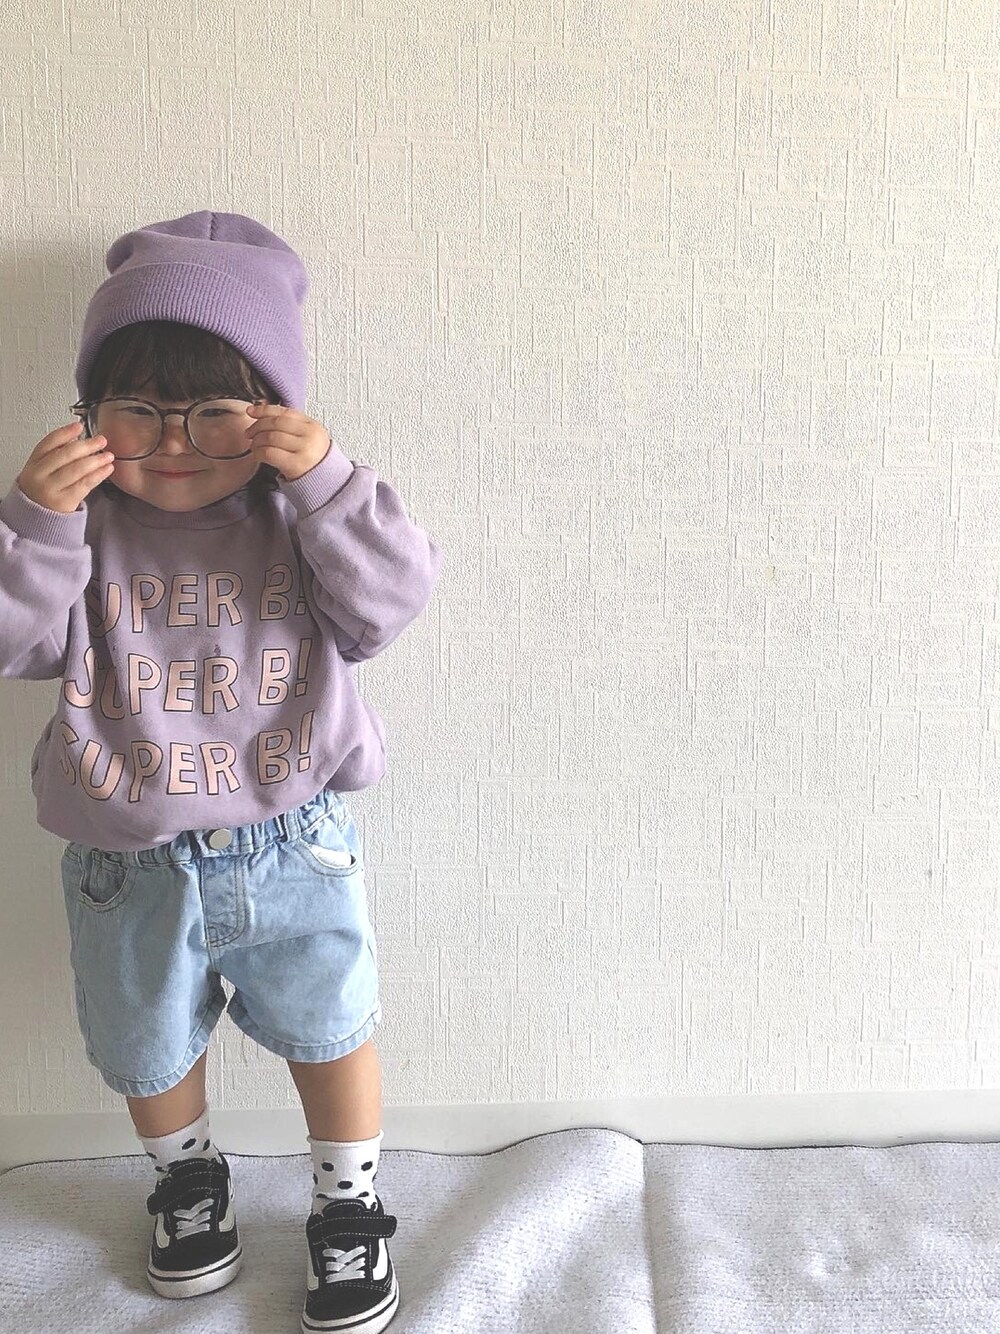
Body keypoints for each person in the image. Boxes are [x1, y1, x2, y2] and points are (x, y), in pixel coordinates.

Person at [0, 210, 443, 1334]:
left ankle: (349, 1202)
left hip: (294, 835)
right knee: (146, 1042)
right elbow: (14, 644)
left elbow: (389, 605)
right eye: (137, 410)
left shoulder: (301, 518)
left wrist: (329, 480)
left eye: (214, 411)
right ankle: (186, 1180)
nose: (175, 442)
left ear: (274, 414)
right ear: (88, 413)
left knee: (332, 1029)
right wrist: (35, 518)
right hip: (125, 853)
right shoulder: (79, 526)